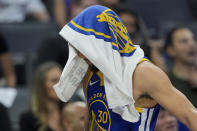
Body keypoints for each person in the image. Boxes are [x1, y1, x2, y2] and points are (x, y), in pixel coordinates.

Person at [54, 5, 197, 131]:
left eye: (86, 47)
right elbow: (94, 120)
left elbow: (189, 114)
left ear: (103, 43)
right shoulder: (89, 71)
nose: (80, 54)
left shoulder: (144, 72)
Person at [19, 62, 64, 131]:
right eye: (54, 81)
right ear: (42, 86)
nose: (60, 85)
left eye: (62, 80)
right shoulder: (28, 119)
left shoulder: (70, 111)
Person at [164, 26, 197, 107]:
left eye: (193, 39)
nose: (192, 44)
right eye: (184, 41)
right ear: (171, 50)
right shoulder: (166, 83)